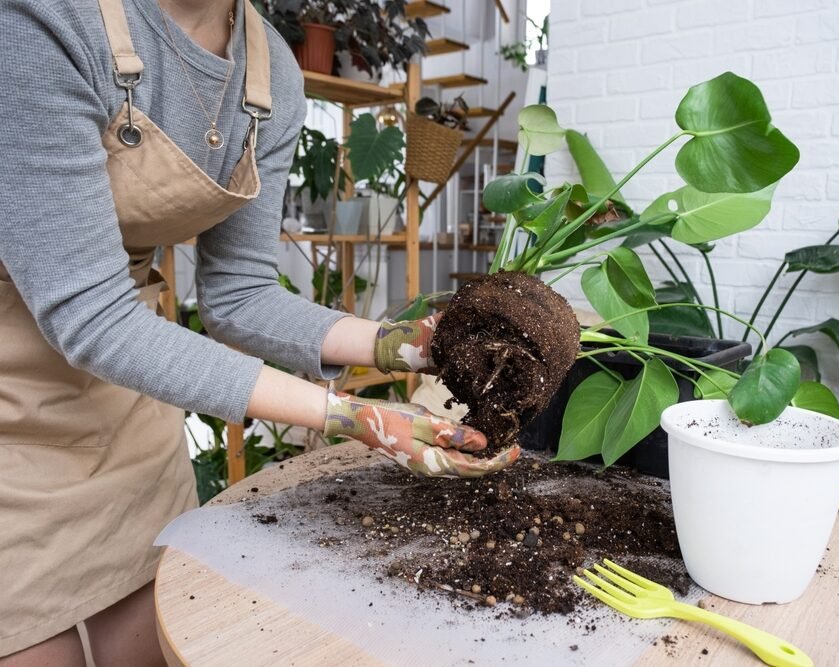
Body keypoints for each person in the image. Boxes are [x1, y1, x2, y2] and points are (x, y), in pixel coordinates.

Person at [0, 0, 518, 664]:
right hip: (14, 399)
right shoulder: (45, 21)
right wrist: (353, 414)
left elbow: (239, 295)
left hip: (124, 393)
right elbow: (91, 313)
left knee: (154, 643)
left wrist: (413, 344)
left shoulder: (270, 70)